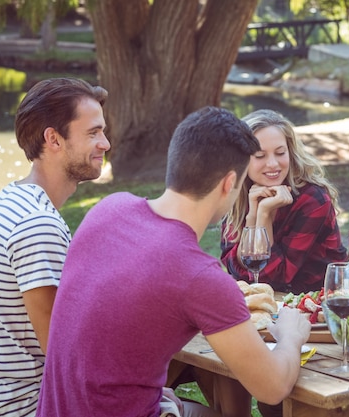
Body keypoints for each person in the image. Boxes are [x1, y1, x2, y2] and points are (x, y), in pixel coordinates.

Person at [35, 107, 311, 417]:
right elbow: (271, 387)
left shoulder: (108, 209)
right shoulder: (199, 276)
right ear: (228, 182)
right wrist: (291, 335)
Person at [0, 77, 110, 416]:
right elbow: (63, 352)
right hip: (26, 408)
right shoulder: (36, 224)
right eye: (92, 133)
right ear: (53, 139)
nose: (105, 143)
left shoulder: (11, 200)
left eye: (102, 131)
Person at [221, 109, 346, 294]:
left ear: (290, 152)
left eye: (280, 153)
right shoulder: (237, 193)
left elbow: (272, 279)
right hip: (268, 304)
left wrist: (263, 215)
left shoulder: (313, 199)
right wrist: (252, 215)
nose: (273, 164)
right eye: (260, 156)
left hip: (317, 306)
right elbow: (233, 264)